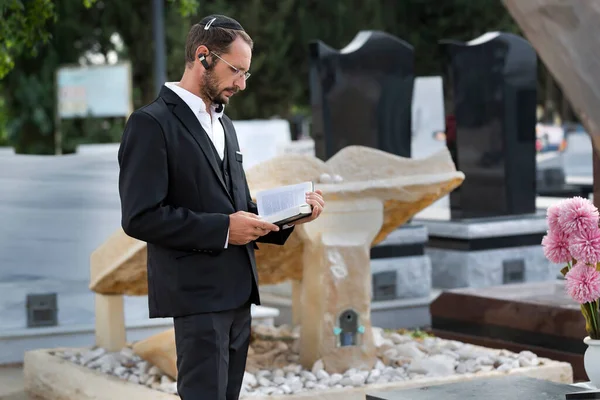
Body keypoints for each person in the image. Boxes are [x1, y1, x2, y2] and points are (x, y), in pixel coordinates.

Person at [117, 14, 325, 400]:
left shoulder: (224, 125)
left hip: (238, 291)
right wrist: (224, 230)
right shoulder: (150, 124)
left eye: (247, 74)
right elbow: (140, 216)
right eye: (236, 71)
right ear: (203, 56)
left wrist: (293, 214)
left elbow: (237, 205)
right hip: (196, 294)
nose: (242, 84)